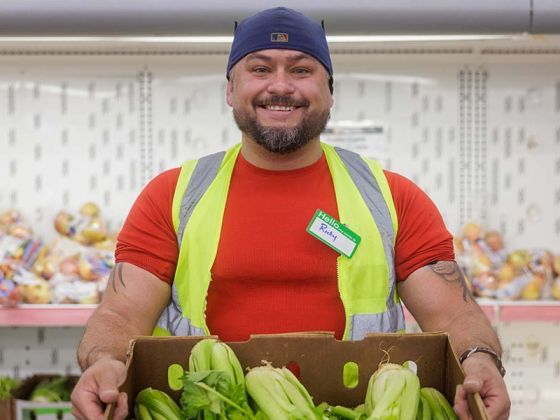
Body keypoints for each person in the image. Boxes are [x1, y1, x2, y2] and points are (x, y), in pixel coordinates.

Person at [70, 7, 510, 420]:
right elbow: (121, 315)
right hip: (213, 409)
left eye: (301, 70)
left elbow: (453, 313)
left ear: (330, 91)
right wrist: (105, 361)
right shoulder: (173, 195)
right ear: (230, 89)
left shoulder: (390, 196)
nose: (280, 86)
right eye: (259, 69)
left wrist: (479, 357)